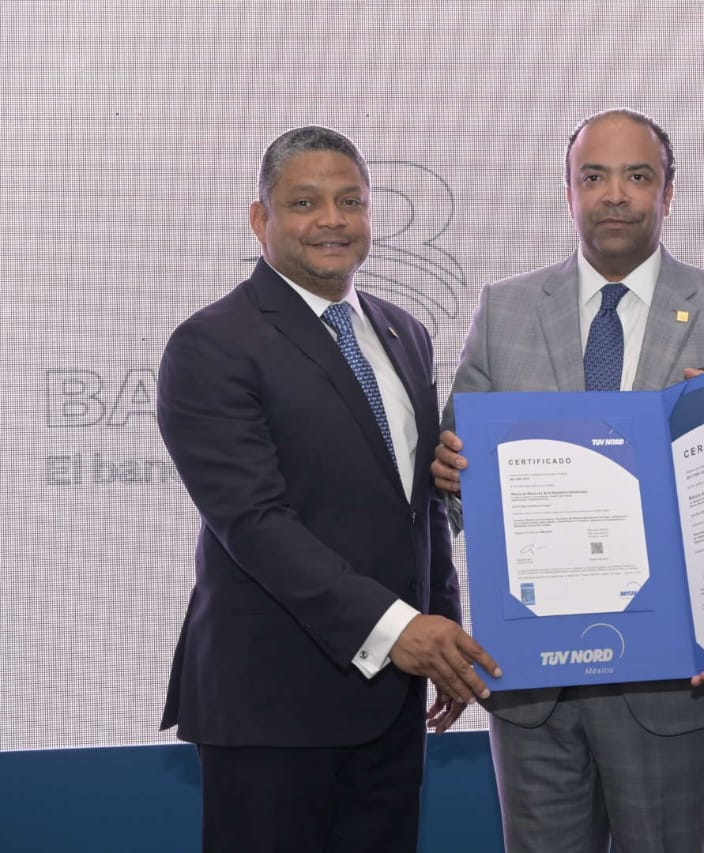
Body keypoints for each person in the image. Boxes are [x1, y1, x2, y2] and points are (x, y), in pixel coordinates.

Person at [431, 108, 704, 853]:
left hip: (677, 678)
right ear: (568, 192)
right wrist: (451, 475)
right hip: (533, 679)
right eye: (594, 176)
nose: (614, 194)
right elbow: (456, 481)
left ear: (668, 193)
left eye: (637, 176)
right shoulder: (505, 310)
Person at [156, 125, 501, 853]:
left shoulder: (404, 332)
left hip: (392, 700)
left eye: (351, 201)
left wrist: (441, 628)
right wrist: (399, 630)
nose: (332, 220)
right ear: (261, 218)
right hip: (271, 705)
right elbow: (254, 523)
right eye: (305, 202)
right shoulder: (211, 343)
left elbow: (419, 505)